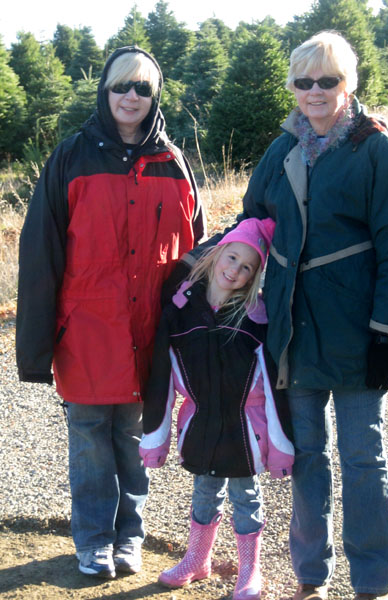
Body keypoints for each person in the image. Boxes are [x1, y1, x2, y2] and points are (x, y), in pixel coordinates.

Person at [174, 31, 388, 600]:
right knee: (307, 455)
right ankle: (311, 575)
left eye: (327, 80)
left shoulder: (375, 149)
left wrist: (387, 332)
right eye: (304, 81)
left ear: (347, 84)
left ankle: (372, 580)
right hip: (292, 332)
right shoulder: (281, 150)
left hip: (357, 330)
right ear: (292, 86)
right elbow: (253, 221)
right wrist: (200, 265)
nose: (315, 91)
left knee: (364, 457)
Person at [16, 46, 206, 579]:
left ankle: (130, 538)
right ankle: (94, 540)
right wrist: (35, 348)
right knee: (90, 442)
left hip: (151, 333)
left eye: (143, 88)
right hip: (86, 332)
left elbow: (197, 255)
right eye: (122, 85)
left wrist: (198, 335)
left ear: (154, 96)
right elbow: (41, 255)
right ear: (105, 90)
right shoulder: (71, 157)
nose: (131, 96)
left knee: (134, 441)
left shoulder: (173, 162)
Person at [139, 218, 295, 600]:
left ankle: (250, 571)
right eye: (232, 257)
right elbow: (162, 378)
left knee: (246, 497)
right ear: (217, 254)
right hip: (202, 425)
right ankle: (197, 560)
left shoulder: (255, 318)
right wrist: (155, 438)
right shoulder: (182, 310)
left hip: (246, 430)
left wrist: (281, 447)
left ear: (254, 277)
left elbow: (274, 389)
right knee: (204, 492)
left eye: (247, 268)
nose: (235, 270)